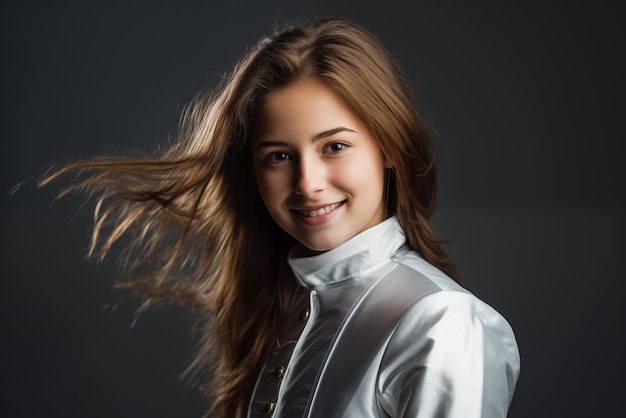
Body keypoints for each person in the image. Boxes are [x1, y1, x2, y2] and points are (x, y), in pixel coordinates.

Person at [42, 17, 520, 418]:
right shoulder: (280, 307)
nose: (308, 182)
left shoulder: (444, 323)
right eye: (277, 156)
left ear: (388, 148)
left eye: (335, 146)